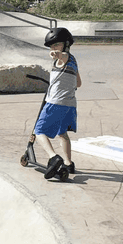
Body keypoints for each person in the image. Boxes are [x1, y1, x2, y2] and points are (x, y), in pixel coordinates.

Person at [34, 26, 82, 179]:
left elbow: (62, 56)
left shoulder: (64, 57)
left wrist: (57, 54)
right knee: (62, 134)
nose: (53, 49)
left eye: (56, 45)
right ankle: (68, 163)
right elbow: (78, 83)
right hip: (70, 104)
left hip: (55, 103)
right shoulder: (74, 61)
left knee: (39, 131)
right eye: (51, 46)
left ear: (66, 44)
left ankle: (53, 157)